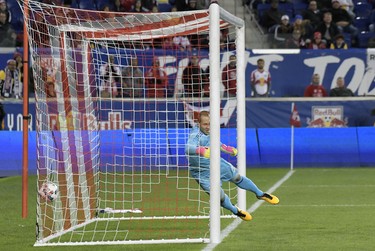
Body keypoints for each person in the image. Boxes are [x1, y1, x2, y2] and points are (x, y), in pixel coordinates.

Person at [185, 111, 279, 221]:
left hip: (215, 164)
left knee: (237, 177)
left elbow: (216, 144)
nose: (208, 127)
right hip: (201, 172)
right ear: (198, 124)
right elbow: (187, 148)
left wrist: (227, 149)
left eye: (209, 124)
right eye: (205, 124)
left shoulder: (211, 132)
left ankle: (260, 194)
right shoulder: (195, 134)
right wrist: (200, 150)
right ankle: (236, 211)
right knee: (219, 196)